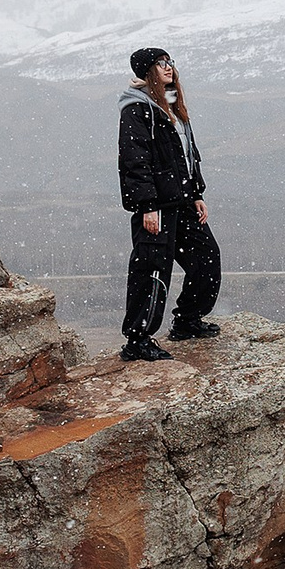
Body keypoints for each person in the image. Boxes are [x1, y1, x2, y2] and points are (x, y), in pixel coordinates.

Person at [117, 47, 222, 361]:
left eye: (169, 62)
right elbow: (135, 160)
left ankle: (187, 320)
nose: (168, 67)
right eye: (161, 63)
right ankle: (137, 340)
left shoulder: (172, 105)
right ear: (147, 71)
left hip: (184, 202)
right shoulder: (137, 109)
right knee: (152, 271)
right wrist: (147, 206)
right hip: (158, 207)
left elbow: (187, 156)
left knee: (206, 258)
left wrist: (197, 193)